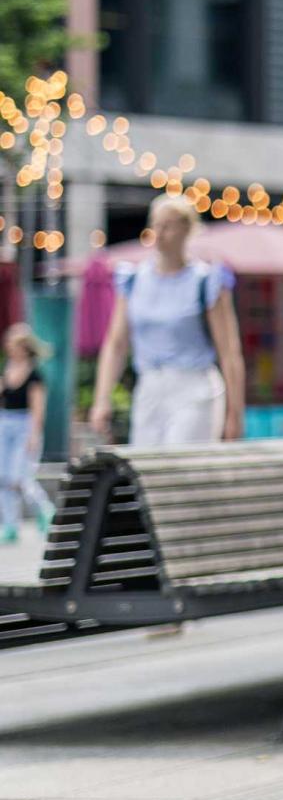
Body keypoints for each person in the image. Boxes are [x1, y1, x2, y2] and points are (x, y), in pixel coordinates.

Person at [89, 194, 248, 446]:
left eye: (168, 226)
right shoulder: (133, 279)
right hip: (149, 386)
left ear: (186, 229)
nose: (160, 233)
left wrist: (235, 413)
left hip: (194, 386)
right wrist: (102, 399)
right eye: (156, 225)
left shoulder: (207, 281)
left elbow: (229, 351)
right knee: (146, 469)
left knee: (181, 466)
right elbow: (115, 344)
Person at [0, 325, 56, 543]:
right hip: (5, 424)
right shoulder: (7, 368)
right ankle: (10, 525)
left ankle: (44, 509)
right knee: (3, 478)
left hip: (24, 425)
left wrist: (34, 434)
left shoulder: (35, 374)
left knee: (20, 478)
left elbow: (37, 409)